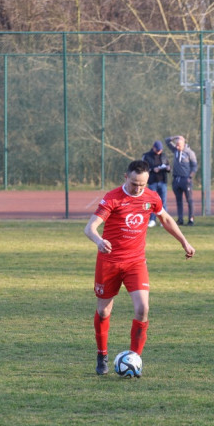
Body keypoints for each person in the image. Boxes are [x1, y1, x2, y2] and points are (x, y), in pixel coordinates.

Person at [84, 160, 195, 375]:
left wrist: (184, 241)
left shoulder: (151, 197)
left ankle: (135, 360)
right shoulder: (113, 198)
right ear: (125, 177)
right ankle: (102, 354)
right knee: (104, 311)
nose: (138, 188)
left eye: (142, 184)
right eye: (134, 183)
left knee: (143, 309)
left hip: (135, 262)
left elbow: (166, 219)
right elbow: (90, 228)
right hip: (109, 262)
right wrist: (98, 241)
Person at [166, 135, 197, 226]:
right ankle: (180, 219)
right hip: (176, 179)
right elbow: (167, 141)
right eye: (176, 144)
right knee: (178, 201)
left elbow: (194, 166)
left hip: (185, 179)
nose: (177, 146)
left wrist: (190, 177)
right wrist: (175, 137)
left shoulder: (189, 153)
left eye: (179, 145)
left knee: (189, 200)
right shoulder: (175, 150)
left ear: (183, 144)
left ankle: (191, 219)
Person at [142, 141, 170, 227]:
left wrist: (168, 168)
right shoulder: (147, 156)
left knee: (163, 202)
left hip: (162, 182)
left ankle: (163, 221)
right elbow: (143, 168)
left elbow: (167, 165)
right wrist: (152, 169)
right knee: (151, 202)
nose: (159, 152)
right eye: (157, 150)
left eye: (160, 150)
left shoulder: (164, 156)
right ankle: (152, 220)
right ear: (153, 148)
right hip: (152, 182)